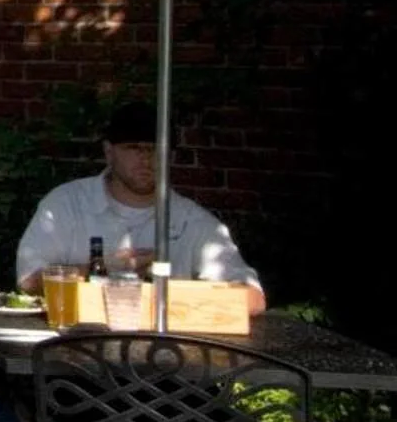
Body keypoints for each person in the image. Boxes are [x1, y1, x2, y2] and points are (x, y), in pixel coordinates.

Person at [14, 100, 264, 314]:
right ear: (109, 152)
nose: (146, 158)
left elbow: (253, 299)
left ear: (171, 156)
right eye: (133, 148)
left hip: (166, 358)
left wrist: (168, 295)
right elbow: (29, 280)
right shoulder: (67, 204)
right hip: (74, 348)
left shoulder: (192, 221)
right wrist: (100, 269)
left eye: (156, 149)